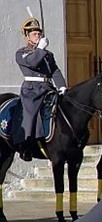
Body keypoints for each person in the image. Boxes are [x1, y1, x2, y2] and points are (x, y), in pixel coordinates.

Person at [15, 17, 67, 161]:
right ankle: (26, 144)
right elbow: (32, 62)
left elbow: (55, 70)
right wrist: (40, 49)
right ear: (28, 36)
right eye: (34, 34)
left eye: (39, 33)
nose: (38, 36)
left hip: (48, 87)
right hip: (32, 90)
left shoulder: (47, 54)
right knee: (31, 113)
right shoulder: (22, 53)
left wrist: (62, 85)